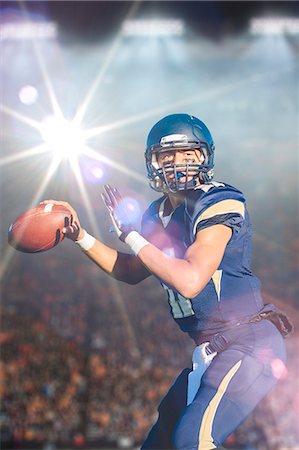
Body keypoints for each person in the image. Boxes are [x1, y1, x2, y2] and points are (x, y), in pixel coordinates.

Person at [43, 113, 292, 449]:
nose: (178, 163)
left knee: (192, 441)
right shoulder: (156, 214)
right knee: (159, 445)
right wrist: (80, 235)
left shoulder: (216, 200)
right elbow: (132, 270)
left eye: (188, 154)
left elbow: (189, 281)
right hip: (209, 349)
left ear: (205, 157)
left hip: (248, 342)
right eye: (167, 155)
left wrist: (132, 235)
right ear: (153, 163)